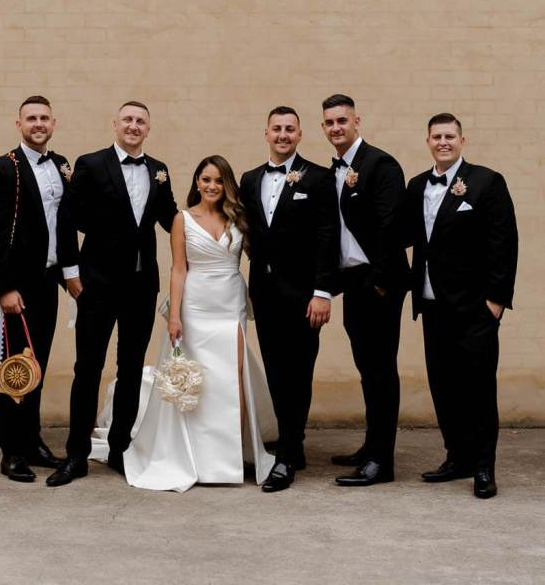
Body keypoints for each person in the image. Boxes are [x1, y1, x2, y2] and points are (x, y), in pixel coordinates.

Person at [120, 156, 276, 491]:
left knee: (231, 378)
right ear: (197, 182)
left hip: (230, 304)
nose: (211, 186)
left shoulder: (239, 218)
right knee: (195, 380)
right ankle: (197, 458)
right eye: (206, 179)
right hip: (195, 306)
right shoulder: (182, 219)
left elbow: (263, 252)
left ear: (227, 185)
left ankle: (230, 458)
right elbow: (179, 269)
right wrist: (174, 314)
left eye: (219, 181)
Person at [47, 101, 178, 487]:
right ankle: (76, 454)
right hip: (96, 284)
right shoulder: (90, 164)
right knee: (86, 369)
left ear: (148, 129)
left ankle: (121, 448)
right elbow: (67, 218)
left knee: (131, 370)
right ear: (115, 124)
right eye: (128, 120)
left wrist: (210, 227)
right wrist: (70, 273)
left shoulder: (159, 170)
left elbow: (170, 217)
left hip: (140, 287)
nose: (134, 126)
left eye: (140, 122)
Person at [404, 113, 518, 499]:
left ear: (462, 141)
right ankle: (458, 457)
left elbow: (504, 243)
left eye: (450, 136)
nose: (443, 142)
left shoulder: (486, 182)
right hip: (433, 306)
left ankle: (484, 467)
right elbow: (402, 235)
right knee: (444, 387)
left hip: (474, 310)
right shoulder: (418, 185)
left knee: (479, 390)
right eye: (436, 136)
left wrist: (495, 302)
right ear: (428, 142)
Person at [240, 106, 340, 492]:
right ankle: (291, 444)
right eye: (276, 129)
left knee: (298, 374)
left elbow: (327, 235)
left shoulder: (318, 178)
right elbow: (248, 233)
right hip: (264, 296)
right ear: (265, 133)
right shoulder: (250, 180)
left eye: (290, 130)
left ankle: (286, 455)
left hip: (304, 297)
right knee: (277, 371)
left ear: (300, 135)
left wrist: (322, 291)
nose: (283, 135)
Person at [0, 95, 75, 482]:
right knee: (14, 369)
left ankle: (32, 440)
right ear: (18, 124)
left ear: (54, 123)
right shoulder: (3, 168)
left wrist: (71, 273)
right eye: (31, 118)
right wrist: (4, 288)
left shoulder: (62, 164)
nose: (38, 124)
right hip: (16, 288)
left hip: (48, 281)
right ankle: (12, 451)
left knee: (38, 362)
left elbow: (66, 225)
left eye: (44, 118)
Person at [320, 94, 409, 487]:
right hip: (353, 283)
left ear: (357, 121)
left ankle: (381, 462)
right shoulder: (335, 169)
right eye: (330, 123)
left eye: (342, 120)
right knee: (366, 370)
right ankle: (371, 446)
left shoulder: (381, 164)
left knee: (380, 372)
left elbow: (392, 228)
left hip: (378, 284)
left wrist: (379, 283)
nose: (337, 127)